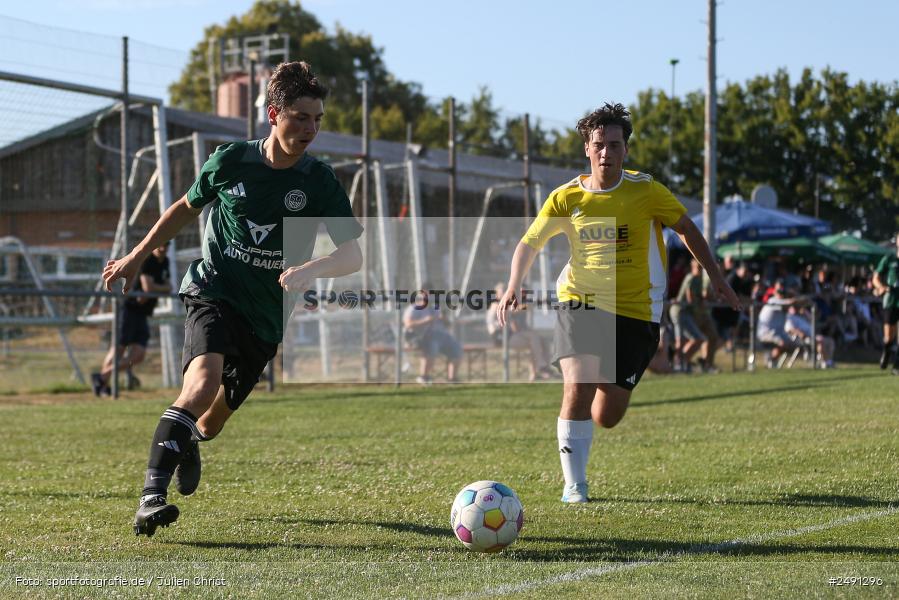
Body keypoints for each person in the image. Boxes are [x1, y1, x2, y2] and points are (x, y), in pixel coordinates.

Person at [102, 61, 363, 537]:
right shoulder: (230, 161)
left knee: (213, 420)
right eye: (300, 117)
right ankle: (149, 498)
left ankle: (188, 441)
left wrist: (312, 268)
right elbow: (185, 207)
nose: (310, 128)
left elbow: (351, 254)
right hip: (213, 291)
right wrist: (138, 255)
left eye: (317, 119)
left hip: (266, 317)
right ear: (273, 114)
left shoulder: (319, 181)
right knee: (200, 384)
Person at [497, 103, 740, 504]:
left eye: (615, 144)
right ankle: (574, 484)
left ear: (625, 150)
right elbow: (529, 242)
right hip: (580, 299)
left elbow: (687, 229)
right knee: (577, 384)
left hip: (636, 310)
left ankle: (595, 408)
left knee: (607, 415)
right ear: (587, 151)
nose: (607, 152)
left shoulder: (647, 191)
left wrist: (717, 278)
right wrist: (513, 285)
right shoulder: (566, 198)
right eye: (599, 145)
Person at [91, 243, 171, 395]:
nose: (163, 248)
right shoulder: (148, 261)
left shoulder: (165, 262)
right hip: (131, 311)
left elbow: (170, 287)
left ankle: (101, 377)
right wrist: (161, 287)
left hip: (143, 314)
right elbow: (149, 288)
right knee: (119, 349)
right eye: (160, 245)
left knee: (138, 356)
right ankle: (103, 385)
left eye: (166, 245)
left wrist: (159, 287)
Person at [486, 282, 556, 381]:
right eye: (502, 292)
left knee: (540, 341)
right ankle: (541, 366)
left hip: (508, 335)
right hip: (499, 337)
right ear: (496, 294)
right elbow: (515, 309)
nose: (505, 293)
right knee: (533, 338)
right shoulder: (496, 304)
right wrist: (536, 303)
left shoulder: (507, 303)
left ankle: (539, 371)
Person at [403, 286, 463, 384]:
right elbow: (408, 324)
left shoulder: (436, 308)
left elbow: (448, 325)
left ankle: (452, 379)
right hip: (419, 337)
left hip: (440, 335)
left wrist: (444, 319)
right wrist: (426, 320)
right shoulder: (414, 308)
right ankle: (424, 377)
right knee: (432, 345)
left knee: (456, 348)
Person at [757, 281, 803, 368]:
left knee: (796, 345)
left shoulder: (783, 303)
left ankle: (773, 360)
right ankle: (771, 361)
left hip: (777, 333)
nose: (781, 293)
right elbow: (789, 303)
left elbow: (791, 306)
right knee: (783, 343)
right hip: (765, 333)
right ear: (774, 291)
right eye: (779, 291)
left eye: (782, 291)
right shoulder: (772, 300)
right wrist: (798, 298)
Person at [873, 234, 899, 372]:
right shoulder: (889, 258)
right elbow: (876, 277)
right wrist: (881, 287)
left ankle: (897, 365)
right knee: (889, 335)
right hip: (891, 299)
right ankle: (887, 351)